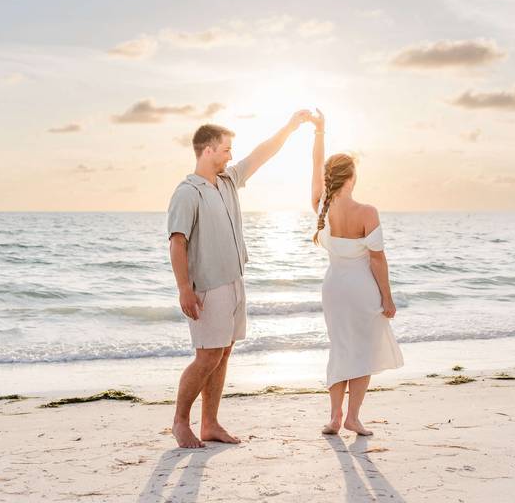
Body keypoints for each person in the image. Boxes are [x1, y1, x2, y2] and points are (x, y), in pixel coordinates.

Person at [167, 111, 311, 448]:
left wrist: (290, 126)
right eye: (226, 149)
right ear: (208, 151)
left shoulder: (229, 181)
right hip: (207, 286)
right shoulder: (188, 192)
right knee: (207, 356)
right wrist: (184, 289)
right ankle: (179, 422)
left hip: (234, 280)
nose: (231, 155)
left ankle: (210, 423)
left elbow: (261, 154)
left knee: (224, 353)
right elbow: (177, 242)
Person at [309, 109, 403, 436]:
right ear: (352, 177)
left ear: (329, 178)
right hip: (362, 289)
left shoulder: (321, 205)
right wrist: (388, 299)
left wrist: (319, 132)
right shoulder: (367, 212)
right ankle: (353, 417)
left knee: (340, 348)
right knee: (362, 351)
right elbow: (377, 260)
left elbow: (314, 167)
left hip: (334, 287)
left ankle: (334, 418)